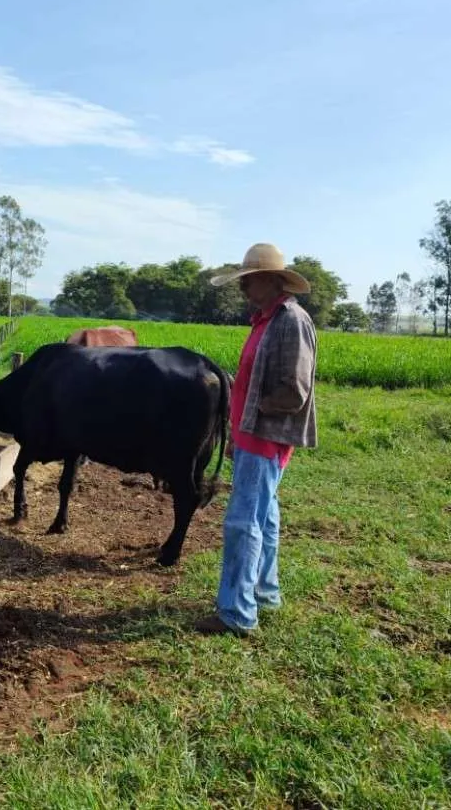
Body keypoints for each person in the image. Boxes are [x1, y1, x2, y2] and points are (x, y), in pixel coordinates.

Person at [193, 243, 317, 636]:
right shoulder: (264, 319)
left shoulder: (289, 321)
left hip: (265, 438)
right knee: (264, 517)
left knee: (242, 523)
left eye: (249, 280)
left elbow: (293, 392)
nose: (244, 287)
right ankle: (265, 591)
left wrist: (253, 411)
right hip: (252, 436)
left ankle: (236, 614)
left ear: (272, 280)